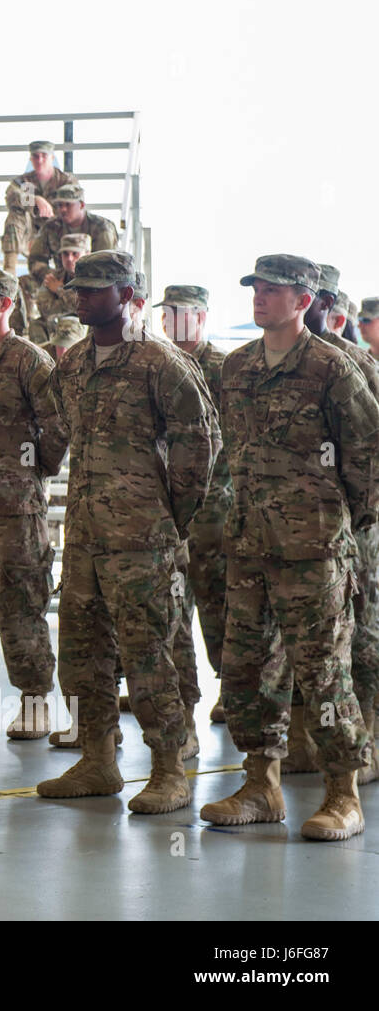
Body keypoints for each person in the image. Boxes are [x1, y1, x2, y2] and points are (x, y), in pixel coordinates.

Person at [199, 255, 379, 840]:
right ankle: (261, 784)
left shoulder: (333, 369)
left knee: (325, 672)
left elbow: (367, 461)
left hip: (315, 553)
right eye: (255, 288)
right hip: (250, 545)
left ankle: (341, 792)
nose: (259, 298)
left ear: (304, 301)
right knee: (248, 671)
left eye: (272, 291)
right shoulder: (237, 367)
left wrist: (338, 525)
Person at [35, 250, 216, 812]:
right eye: (78, 288)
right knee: (83, 652)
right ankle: (97, 759)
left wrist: (168, 519)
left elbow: (199, 448)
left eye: (94, 289)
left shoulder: (160, 365)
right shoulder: (72, 367)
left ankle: (167, 768)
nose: (82, 297)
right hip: (87, 538)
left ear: (127, 295)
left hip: (143, 542)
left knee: (148, 653)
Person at [0, 268, 68, 739]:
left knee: (19, 607)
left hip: (14, 509)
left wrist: (28, 472)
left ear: (5, 305)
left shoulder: (30, 361)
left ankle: (36, 701)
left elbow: (58, 427)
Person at [293, 262, 379, 783]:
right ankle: (306, 735)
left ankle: (366, 732)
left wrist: (359, 515)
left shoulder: (352, 364)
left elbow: (368, 450)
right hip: (309, 525)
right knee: (308, 637)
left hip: (356, 524)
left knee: (362, 627)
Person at [155, 284, 230, 726]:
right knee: (172, 605)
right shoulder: (160, 365)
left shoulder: (221, 368)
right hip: (169, 510)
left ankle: (229, 687)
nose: (174, 321)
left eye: (184, 313)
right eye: (169, 313)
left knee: (220, 602)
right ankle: (178, 693)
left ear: (202, 317)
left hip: (216, 506)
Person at [2, 139, 76, 273]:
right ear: (31, 159)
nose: (39, 160)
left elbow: (74, 206)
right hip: (29, 232)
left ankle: (66, 275)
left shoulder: (66, 181)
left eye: (44, 155)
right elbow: (11, 196)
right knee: (15, 216)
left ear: (52, 158)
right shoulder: (24, 181)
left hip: (56, 231)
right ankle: (9, 271)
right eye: (35, 156)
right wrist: (35, 199)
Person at [26, 183, 118, 282]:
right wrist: (54, 277)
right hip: (59, 281)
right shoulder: (51, 227)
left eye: (68, 204)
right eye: (60, 205)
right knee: (25, 282)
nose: (63, 209)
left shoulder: (102, 228)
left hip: (93, 283)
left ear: (81, 205)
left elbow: (108, 266)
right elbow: (35, 260)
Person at [33, 233, 90, 341]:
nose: (69, 258)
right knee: (37, 324)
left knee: (69, 325)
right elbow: (45, 310)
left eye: (75, 254)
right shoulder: (53, 277)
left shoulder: (94, 277)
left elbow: (89, 307)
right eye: (65, 254)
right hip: (58, 323)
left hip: (89, 326)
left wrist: (59, 290)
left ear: (87, 254)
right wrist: (73, 304)